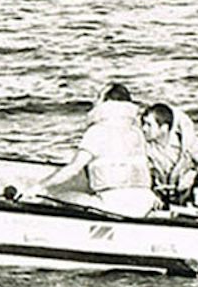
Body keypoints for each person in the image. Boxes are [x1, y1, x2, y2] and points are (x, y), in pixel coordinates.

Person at [27, 83, 154, 217]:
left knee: (53, 197)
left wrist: (39, 187)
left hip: (115, 204)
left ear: (106, 103)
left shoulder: (97, 131)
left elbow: (74, 168)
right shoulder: (137, 132)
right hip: (145, 202)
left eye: (98, 98)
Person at [142, 102, 198, 206]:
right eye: (143, 123)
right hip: (158, 199)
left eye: (149, 125)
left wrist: (193, 176)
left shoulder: (188, 146)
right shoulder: (144, 147)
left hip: (188, 196)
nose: (144, 128)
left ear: (164, 128)